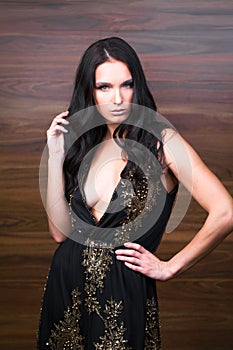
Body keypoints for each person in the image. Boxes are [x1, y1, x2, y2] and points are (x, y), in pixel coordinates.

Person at [38, 37, 233, 350]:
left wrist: (170, 266)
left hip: (121, 295)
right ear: (89, 91)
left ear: (137, 86)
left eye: (126, 85)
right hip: (65, 290)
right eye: (104, 87)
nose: (117, 98)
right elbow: (60, 234)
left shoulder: (162, 142)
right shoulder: (85, 145)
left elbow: (226, 211)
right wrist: (56, 156)